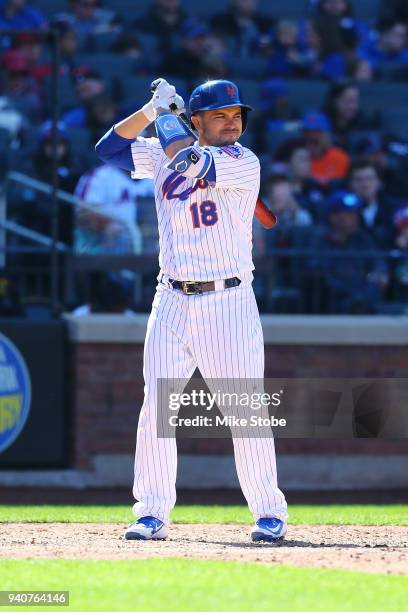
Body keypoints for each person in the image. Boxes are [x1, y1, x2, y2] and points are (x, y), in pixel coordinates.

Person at [95, 78, 288, 542]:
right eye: (219, 116)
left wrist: (166, 118)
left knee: (244, 409)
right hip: (172, 299)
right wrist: (149, 109)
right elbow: (109, 150)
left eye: (236, 116)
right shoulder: (164, 148)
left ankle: (268, 510)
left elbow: (188, 160)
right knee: (157, 406)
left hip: (229, 300)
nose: (231, 123)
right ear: (196, 120)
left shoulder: (243, 161)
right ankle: (152, 513)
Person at [307, 190, 388, 313]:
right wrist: (351, 292)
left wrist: (377, 277)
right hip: (332, 304)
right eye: (347, 213)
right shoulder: (319, 240)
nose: (354, 218)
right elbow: (318, 274)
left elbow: (378, 265)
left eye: (355, 213)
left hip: (363, 300)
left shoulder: (363, 239)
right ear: (333, 216)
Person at [74, 163, 154, 254]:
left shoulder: (157, 176)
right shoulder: (100, 175)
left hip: (149, 242)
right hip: (105, 244)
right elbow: (82, 214)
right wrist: (106, 224)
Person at [348, 160, 398, 247]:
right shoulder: (342, 212)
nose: (365, 185)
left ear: (378, 182)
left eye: (370, 179)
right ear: (351, 183)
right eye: (359, 180)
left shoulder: (394, 209)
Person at [322, 81, 381, 151]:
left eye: (355, 101)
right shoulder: (320, 123)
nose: (352, 106)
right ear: (334, 101)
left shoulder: (363, 123)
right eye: (348, 101)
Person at [302, 111, 350, 187]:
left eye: (318, 132)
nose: (312, 137)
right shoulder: (296, 160)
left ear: (328, 136)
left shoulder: (340, 158)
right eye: (307, 133)